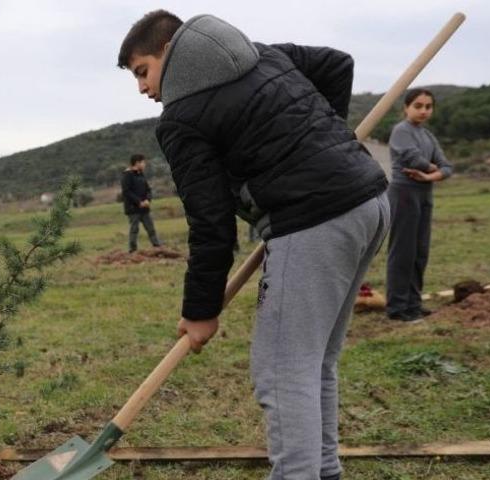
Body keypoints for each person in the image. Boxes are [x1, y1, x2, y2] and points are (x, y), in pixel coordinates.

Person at [118, 11, 389, 480]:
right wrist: (325, 142)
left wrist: (200, 310)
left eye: (143, 71)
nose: (142, 88)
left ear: (169, 51)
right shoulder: (263, 56)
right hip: (369, 202)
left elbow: (210, 223)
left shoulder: (182, 119)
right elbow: (336, 64)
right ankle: (324, 471)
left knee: (284, 371)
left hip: (314, 221)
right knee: (315, 359)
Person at [385, 88, 452, 322]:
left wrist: (430, 175)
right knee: (403, 251)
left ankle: (414, 303)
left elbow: (447, 167)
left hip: (425, 193)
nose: (424, 110)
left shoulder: (428, 135)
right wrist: (433, 169)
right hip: (404, 192)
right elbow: (415, 160)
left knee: (420, 251)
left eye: (428, 106)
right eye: (418, 106)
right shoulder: (401, 131)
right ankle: (397, 308)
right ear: (406, 107)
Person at [121, 153, 162, 252]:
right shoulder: (127, 175)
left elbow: (148, 189)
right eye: (143, 162)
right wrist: (139, 202)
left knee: (151, 228)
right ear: (137, 163)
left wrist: (148, 199)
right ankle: (133, 250)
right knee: (134, 230)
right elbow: (127, 191)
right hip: (133, 208)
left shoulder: (141, 174)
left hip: (144, 208)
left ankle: (158, 247)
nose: (145, 165)